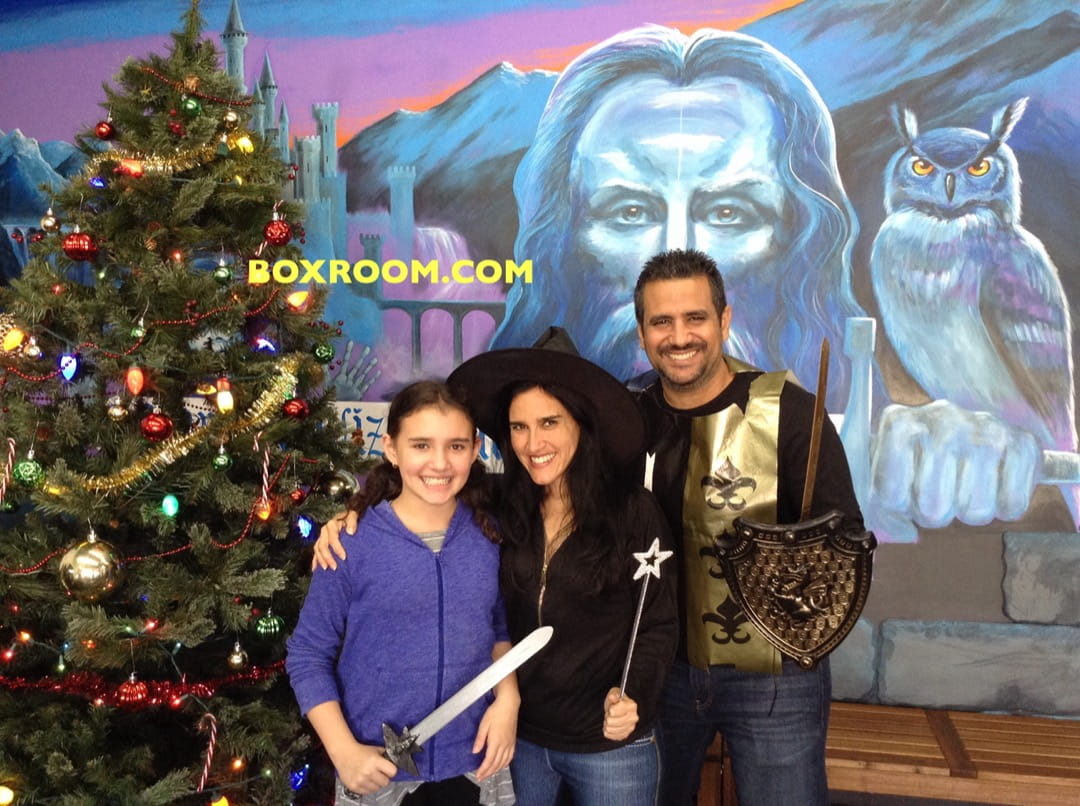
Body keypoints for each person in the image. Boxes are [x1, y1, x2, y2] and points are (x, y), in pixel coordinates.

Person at [490, 25, 863, 413]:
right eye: (630, 212)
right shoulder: (534, 440)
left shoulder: (807, 429)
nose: (675, 260)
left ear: (798, 239)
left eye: (728, 213)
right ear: (563, 240)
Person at [632, 248, 864, 805]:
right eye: (661, 321)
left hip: (775, 676)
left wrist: (793, 565)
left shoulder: (790, 413)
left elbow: (847, 545)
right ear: (641, 333)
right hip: (656, 669)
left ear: (725, 320)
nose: (679, 336)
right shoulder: (626, 414)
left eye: (695, 318)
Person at [447, 328, 678, 806]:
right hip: (520, 738)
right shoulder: (497, 506)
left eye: (549, 422)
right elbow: (421, 503)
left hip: (611, 746)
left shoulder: (632, 511)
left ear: (580, 423)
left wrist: (634, 695)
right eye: (519, 427)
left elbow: (656, 622)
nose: (533, 443)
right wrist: (355, 515)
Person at [286, 381, 519, 806]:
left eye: (456, 446)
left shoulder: (488, 534)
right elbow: (308, 654)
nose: (440, 463)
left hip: (475, 761)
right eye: (421, 445)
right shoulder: (351, 544)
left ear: (474, 450)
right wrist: (342, 750)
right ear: (392, 449)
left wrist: (509, 697)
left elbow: (496, 627)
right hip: (376, 768)